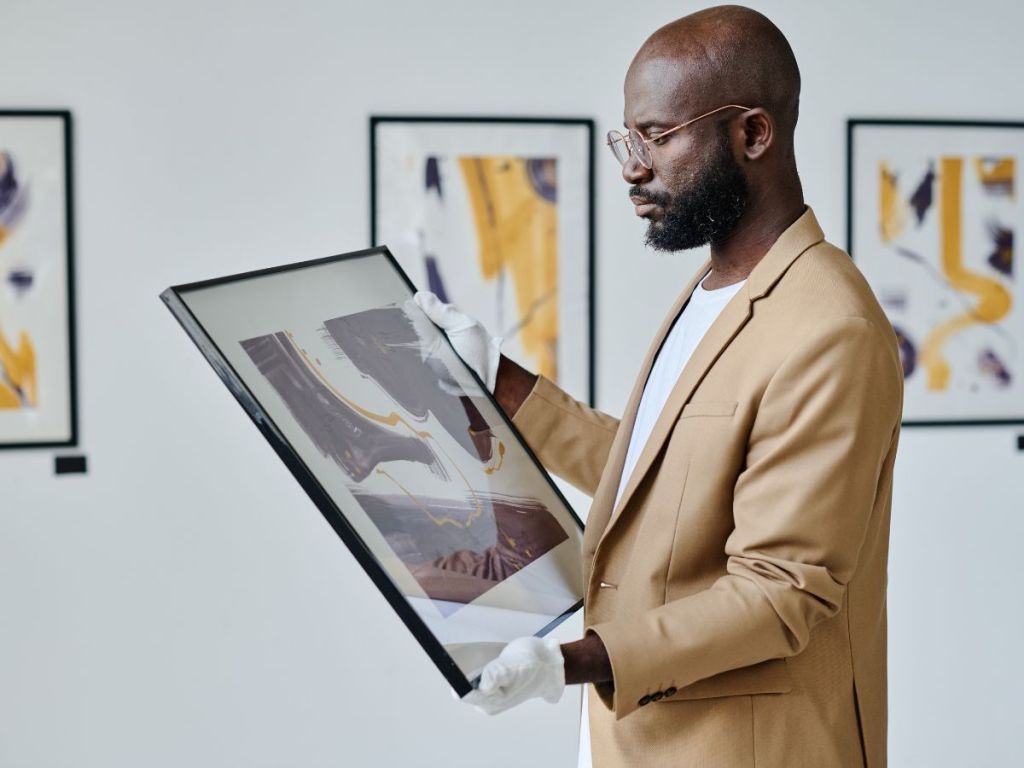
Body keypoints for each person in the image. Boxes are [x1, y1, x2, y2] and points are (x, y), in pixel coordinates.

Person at [415, 5, 903, 766]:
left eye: (658, 136)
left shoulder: (831, 327)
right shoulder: (717, 288)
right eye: (628, 137)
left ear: (752, 134)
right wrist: (501, 385)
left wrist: (569, 661)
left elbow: (781, 591)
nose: (632, 166)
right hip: (641, 741)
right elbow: (664, 475)